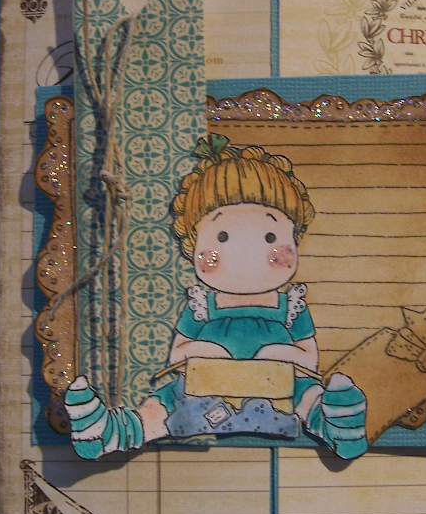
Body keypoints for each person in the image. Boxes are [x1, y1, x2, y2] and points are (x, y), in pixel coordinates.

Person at [65, 136, 368, 460]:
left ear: (295, 238)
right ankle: (112, 432)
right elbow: (177, 353)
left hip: (278, 386)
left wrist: (278, 355)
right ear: (193, 245)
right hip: (204, 387)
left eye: (270, 236)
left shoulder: (291, 306)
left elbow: (309, 359)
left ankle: (338, 426)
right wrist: (206, 353)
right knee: (163, 401)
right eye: (222, 236)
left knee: (307, 393)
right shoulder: (200, 305)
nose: (246, 253)